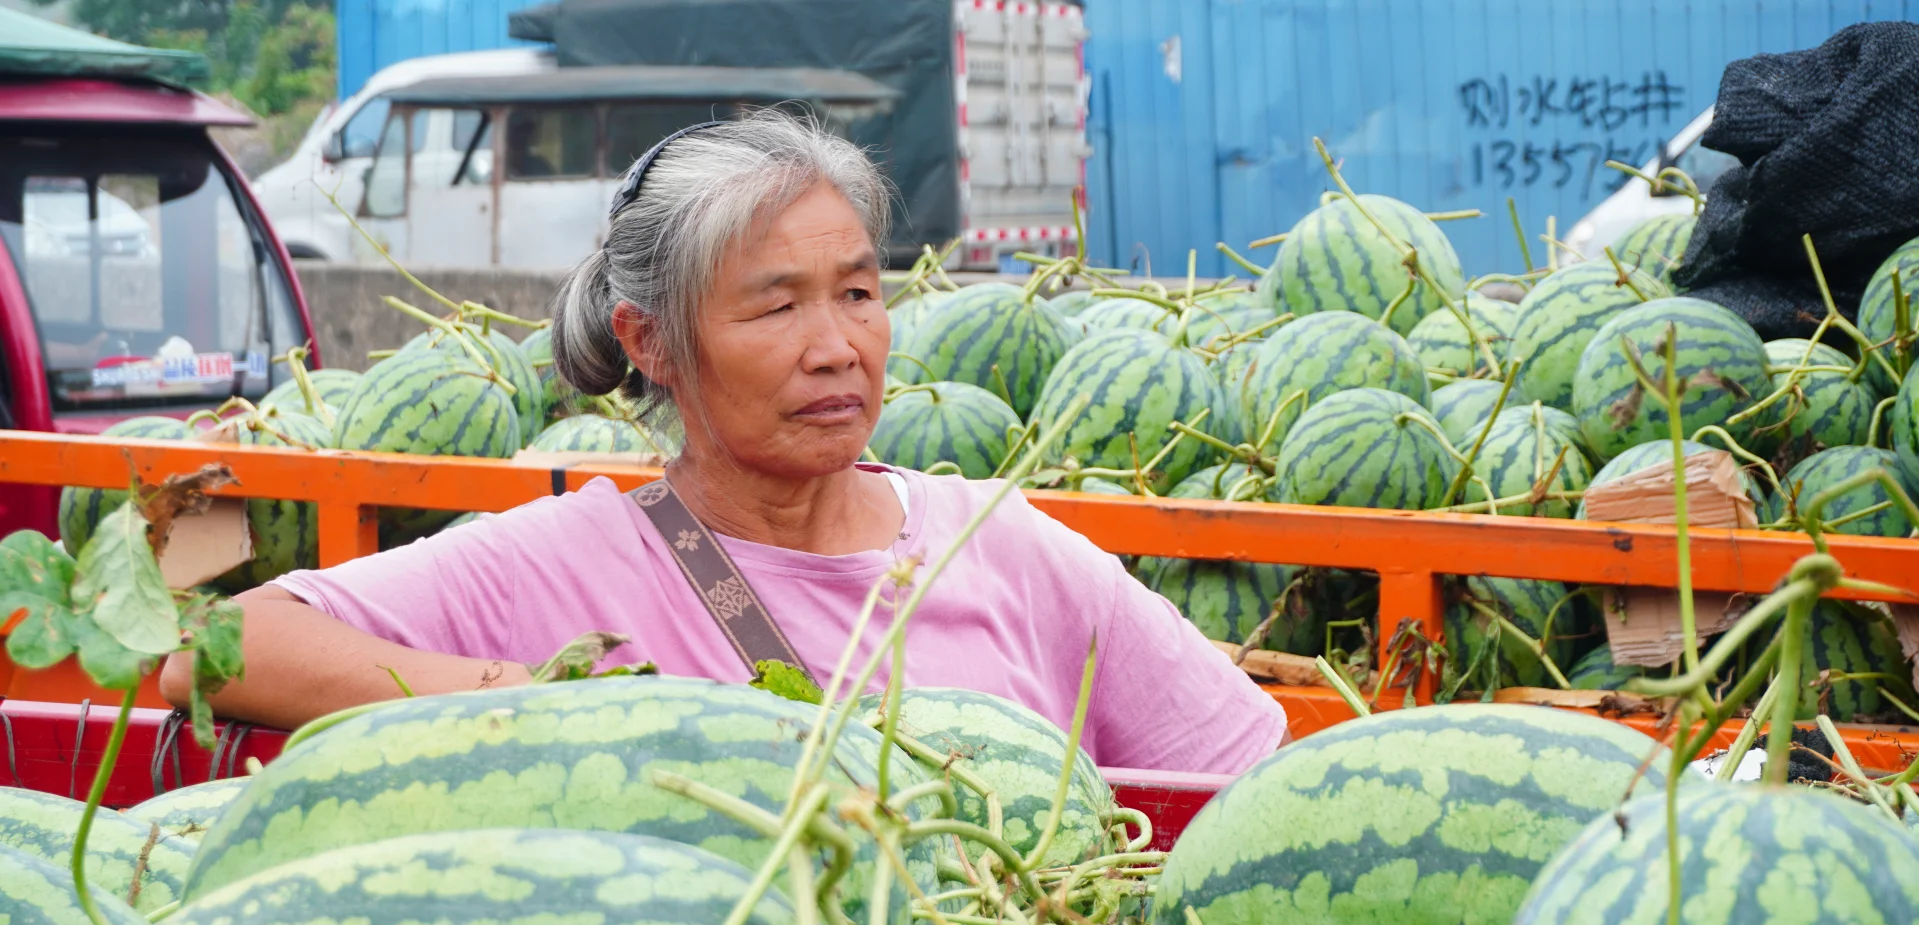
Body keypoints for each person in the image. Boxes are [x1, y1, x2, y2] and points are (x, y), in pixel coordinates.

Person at [158, 110, 1286, 773]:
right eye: (776, 305)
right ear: (649, 341)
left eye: (856, 292)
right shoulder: (566, 558)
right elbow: (212, 648)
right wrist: (539, 700)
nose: (838, 346)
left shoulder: (997, 549)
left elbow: (1242, 772)